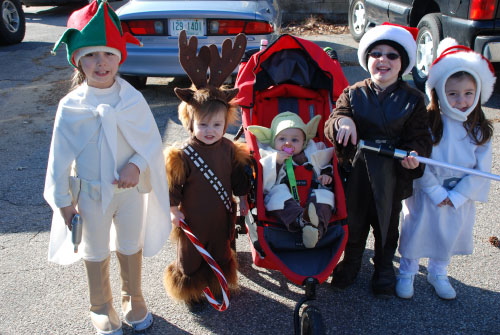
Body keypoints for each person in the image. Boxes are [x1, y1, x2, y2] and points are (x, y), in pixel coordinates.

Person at [44, 1, 171, 334]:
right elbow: (59, 158)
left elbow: (150, 142)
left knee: (131, 243)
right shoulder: (71, 106)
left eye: (108, 54)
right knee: (95, 247)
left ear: (119, 56)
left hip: (129, 193)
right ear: (77, 60)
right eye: (90, 55)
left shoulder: (131, 99)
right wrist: (63, 201)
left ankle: (134, 298)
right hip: (90, 193)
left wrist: (136, 164)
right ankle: (100, 304)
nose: (100, 63)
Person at [324, 23, 433, 297]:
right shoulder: (352, 93)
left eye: (392, 55)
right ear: (367, 60)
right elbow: (331, 122)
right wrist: (343, 121)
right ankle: (351, 262)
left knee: (386, 223)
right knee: (354, 220)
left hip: (391, 172)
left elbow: (420, 138)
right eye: (376, 54)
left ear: (402, 63)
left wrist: (415, 156)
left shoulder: (414, 99)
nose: (383, 60)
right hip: (357, 170)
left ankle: (384, 266)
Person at [396, 38, 496, 300]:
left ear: (478, 94)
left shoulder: (479, 130)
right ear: (439, 93)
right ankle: (407, 271)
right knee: (416, 230)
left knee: (447, 235)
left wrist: (458, 195)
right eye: (452, 94)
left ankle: (438, 272)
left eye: (468, 93)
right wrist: (435, 191)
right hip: (427, 190)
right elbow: (421, 157)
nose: (461, 100)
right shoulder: (428, 123)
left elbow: (480, 170)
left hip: (458, 196)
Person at [163, 31, 251, 311]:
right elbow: (173, 188)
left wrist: (246, 180)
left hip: (220, 216)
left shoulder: (230, 149)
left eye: (216, 125)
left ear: (225, 123)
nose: (210, 131)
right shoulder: (182, 156)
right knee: (190, 257)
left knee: (220, 250)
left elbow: (238, 185)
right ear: (190, 123)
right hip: (193, 219)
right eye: (203, 125)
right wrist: (173, 208)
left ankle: (217, 284)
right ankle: (192, 290)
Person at [248, 112, 335, 248]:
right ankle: (302, 220)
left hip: (311, 194)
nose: (288, 143)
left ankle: (315, 231)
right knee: (277, 195)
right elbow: (265, 184)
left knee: (325, 197)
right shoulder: (270, 155)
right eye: (282, 139)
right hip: (287, 198)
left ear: (304, 142)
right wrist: (276, 162)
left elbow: (325, 163)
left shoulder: (313, 152)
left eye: (295, 140)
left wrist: (326, 174)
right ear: (273, 141)